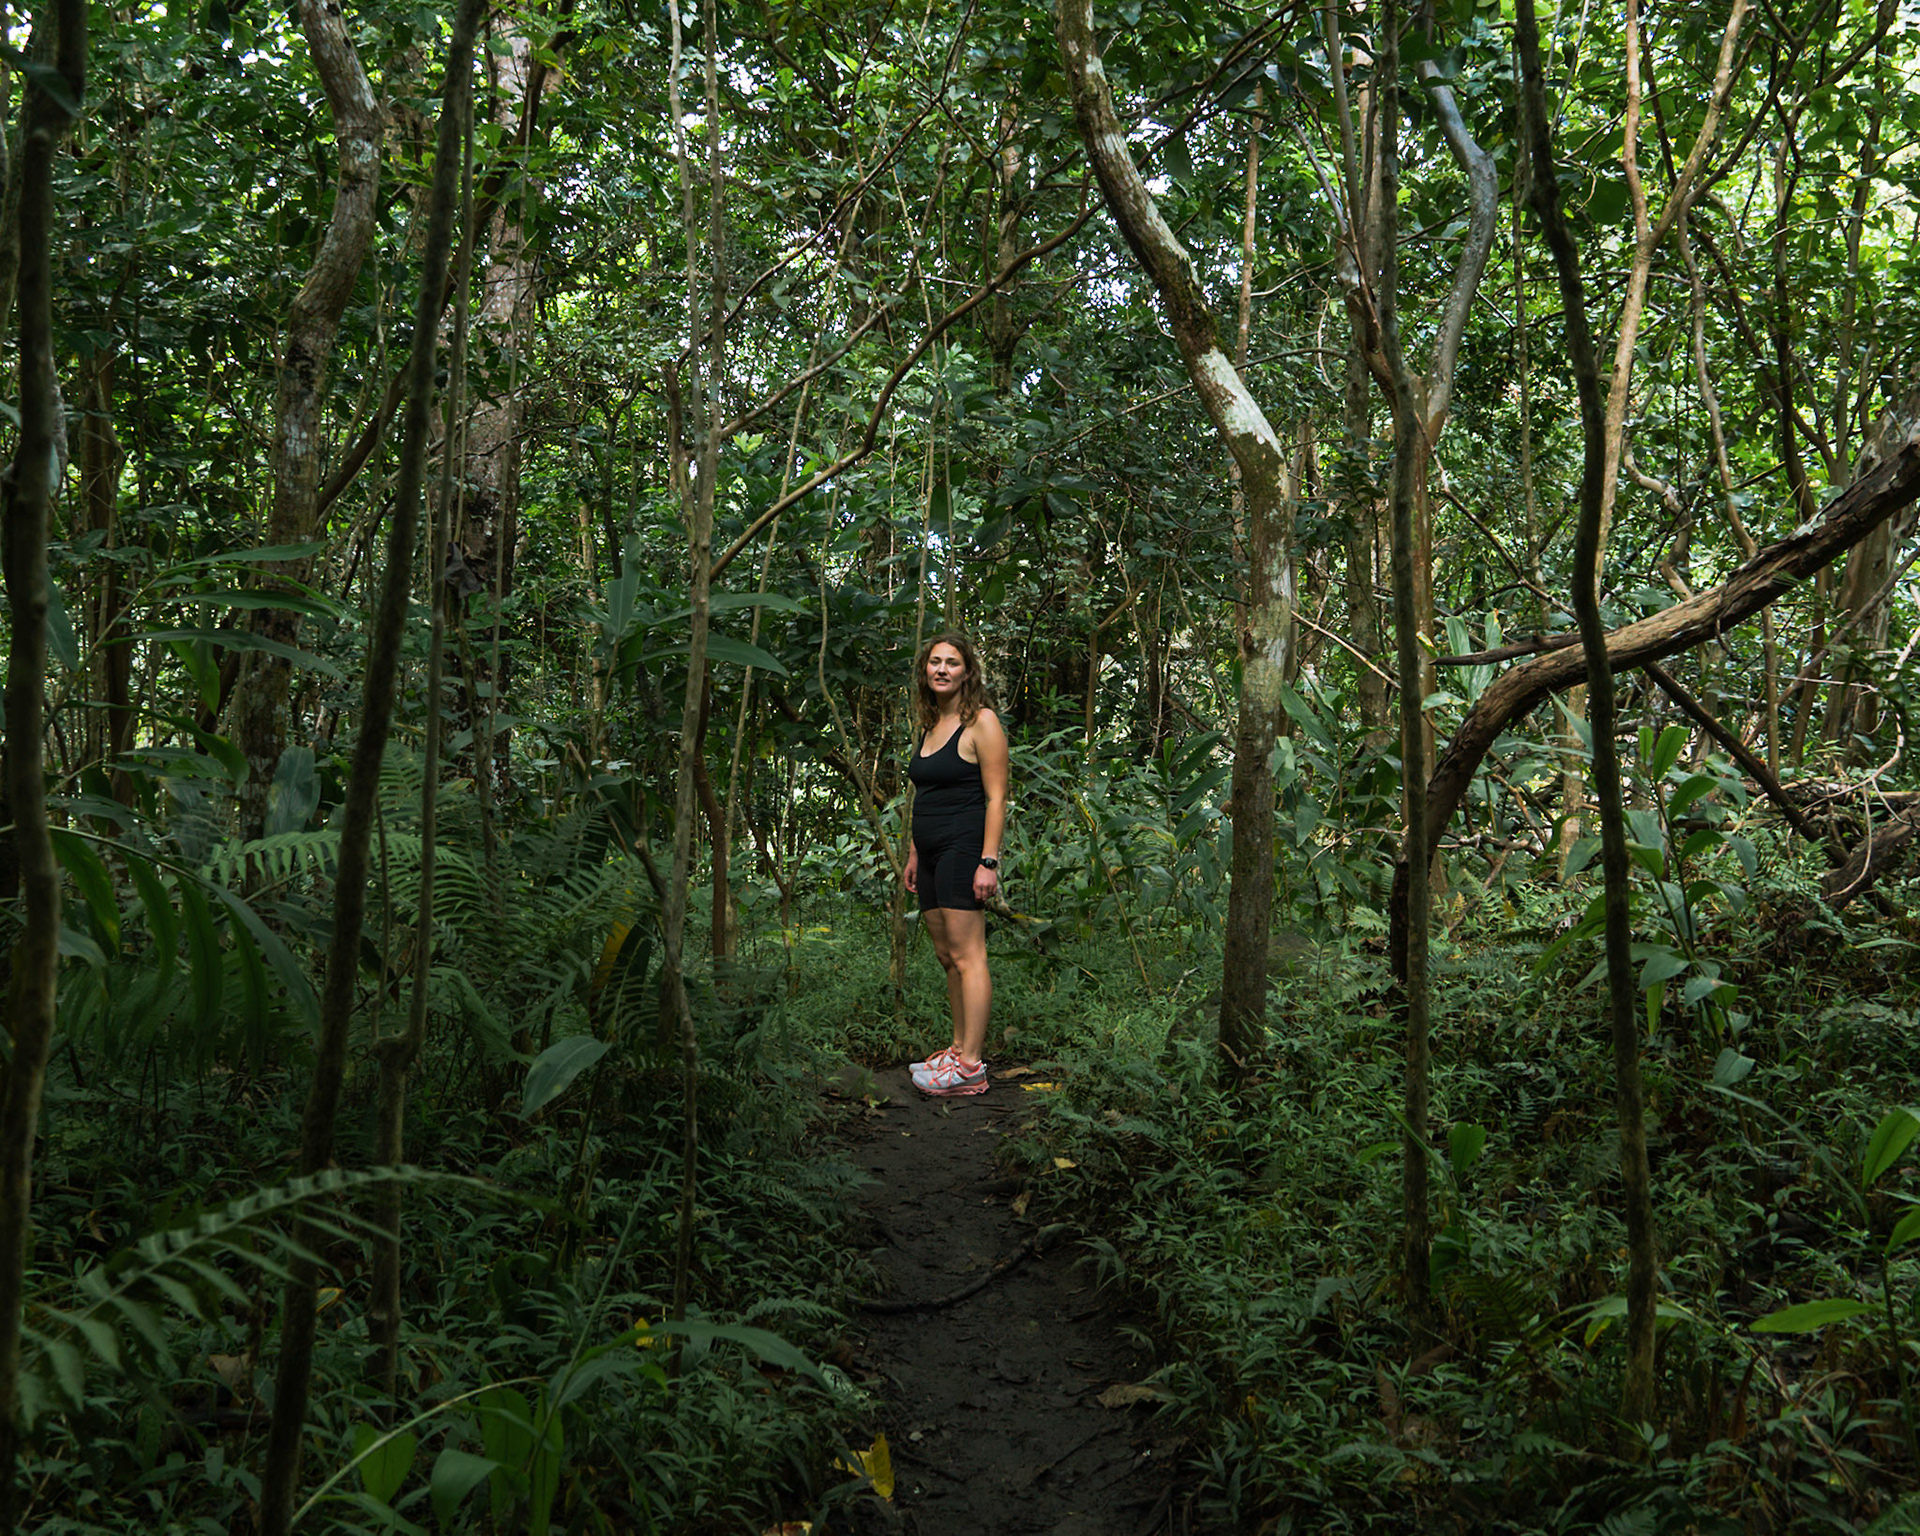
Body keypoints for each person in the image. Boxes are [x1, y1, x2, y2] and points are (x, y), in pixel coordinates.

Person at [902, 632, 1007, 1096]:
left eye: (952, 663)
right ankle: (957, 1048)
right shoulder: (931, 724)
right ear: (925, 671)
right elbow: (924, 793)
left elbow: (997, 796)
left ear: (968, 672)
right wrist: (912, 852)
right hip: (928, 854)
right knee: (947, 957)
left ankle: (970, 1068)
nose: (942, 669)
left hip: (963, 849)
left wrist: (988, 861)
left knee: (969, 956)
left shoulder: (980, 721)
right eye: (935, 662)